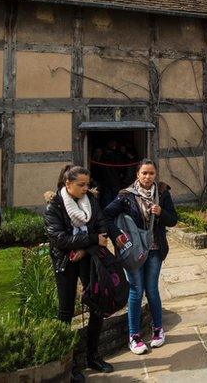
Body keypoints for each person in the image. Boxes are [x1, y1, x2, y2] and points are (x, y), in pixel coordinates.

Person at [104, 159, 178, 355]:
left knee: (152, 289)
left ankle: (158, 330)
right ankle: (134, 335)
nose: (147, 177)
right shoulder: (126, 196)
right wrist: (117, 236)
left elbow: (173, 220)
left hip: (155, 249)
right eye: (144, 173)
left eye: (151, 173)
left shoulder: (162, 193)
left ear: (155, 175)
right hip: (134, 252)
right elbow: (106, 216)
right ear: (137, 174)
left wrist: (161, 212)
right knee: (136, 291)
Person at [45, 164, 113, 378]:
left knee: (97, 306)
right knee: (65, 311)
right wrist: (91, 240)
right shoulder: (54, 206)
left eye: (87, 184)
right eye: (81, 185)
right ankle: (70, 364)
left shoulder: (91, 200)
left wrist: (85, 248)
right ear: (68, 183)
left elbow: (102, 226)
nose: (86, 188)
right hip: (65, 262)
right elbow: (59, 239)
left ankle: (93, 356)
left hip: (88, 259)